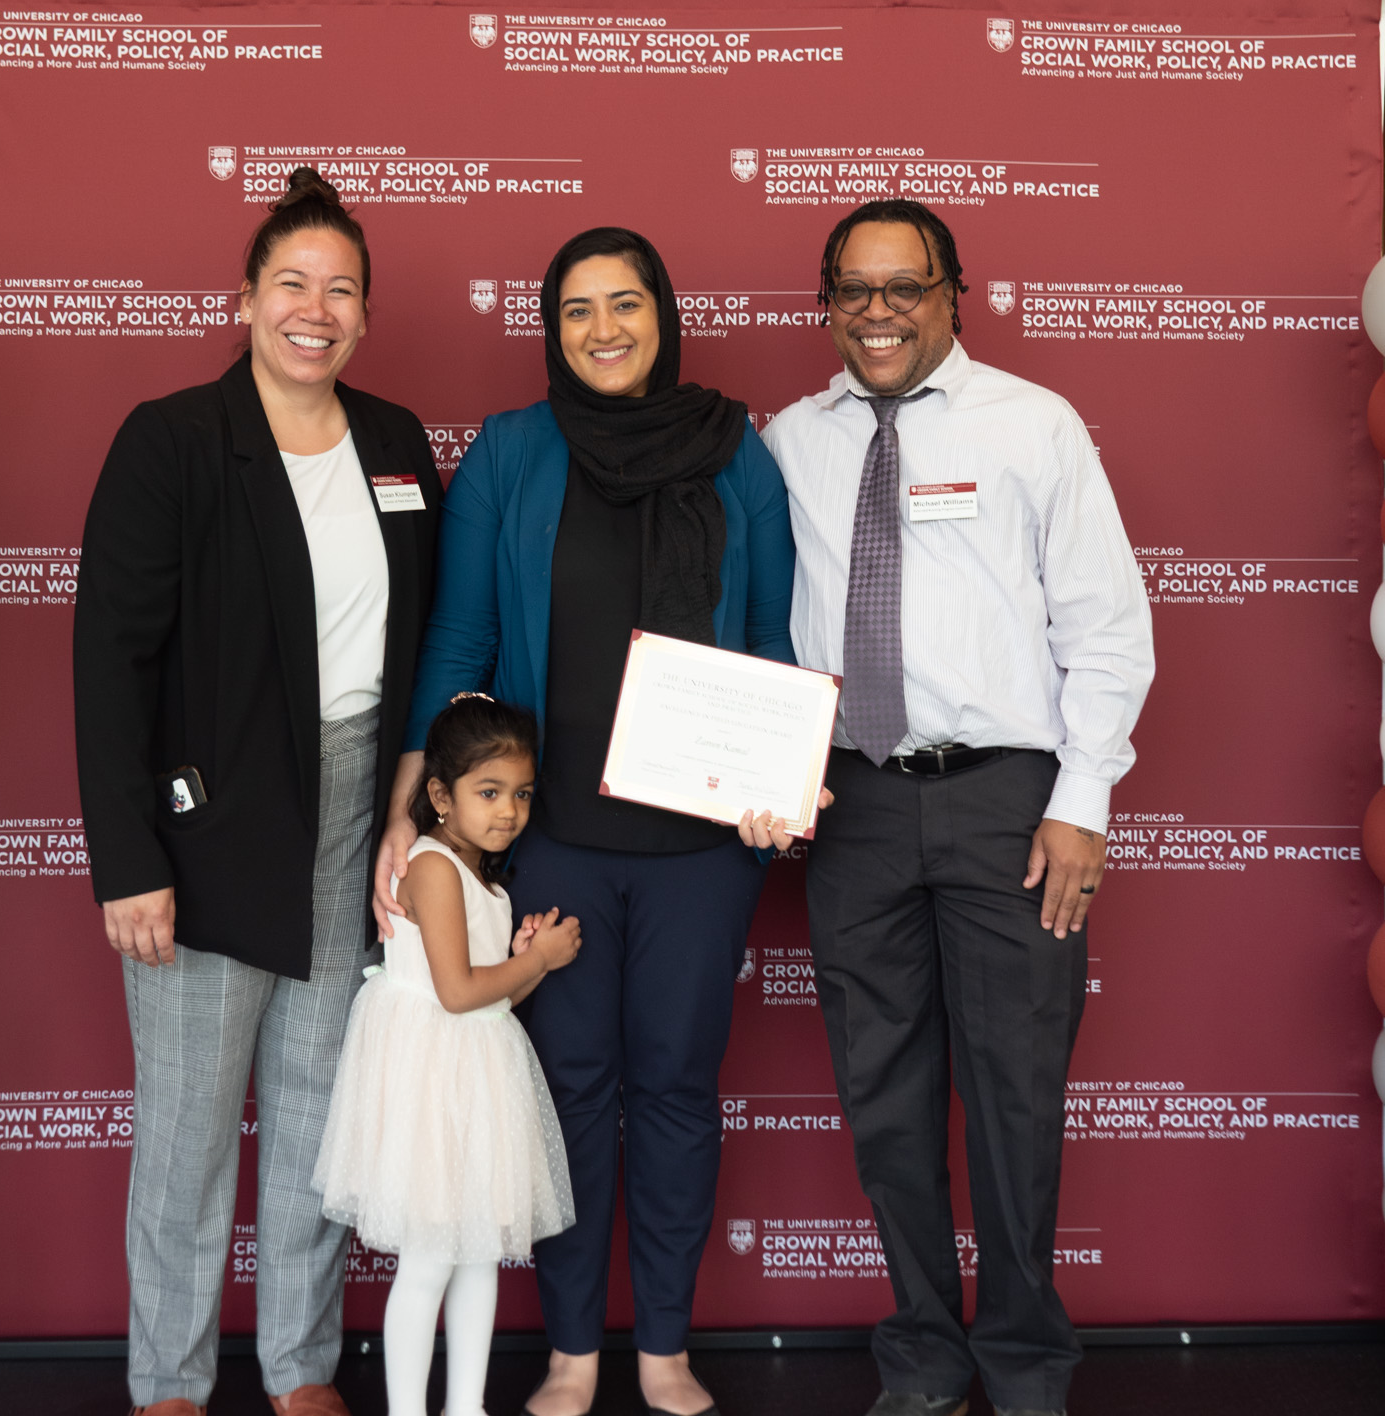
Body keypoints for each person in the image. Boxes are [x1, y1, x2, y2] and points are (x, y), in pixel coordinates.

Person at [373, 225, 798, 1416]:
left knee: (673, 1085)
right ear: (550, 328)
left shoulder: (737, 452)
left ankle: (661, 1344)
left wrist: (775, 774)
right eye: (576, 310)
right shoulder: (512, 451)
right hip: (545, 838)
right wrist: (413, 809)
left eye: (625, 303)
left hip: (702, 853)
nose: (603, 328)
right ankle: (571, 1350)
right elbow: (460, 638)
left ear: (664, 313)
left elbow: (768, 643)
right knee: (564, 1087)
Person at [760, 199, 1153, 1416]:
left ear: (951, 295)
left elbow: (1107, 623)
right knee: (884, 1099)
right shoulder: (788, 438)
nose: (877, 312)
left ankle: (1029, 1364)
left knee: (1019, 1095)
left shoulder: (1033, 425)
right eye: (853, 289)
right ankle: (924, 1356)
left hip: (1007, 806)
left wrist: (1081, 802)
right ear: (827, 301)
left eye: (904, 287)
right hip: (857, 806)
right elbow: (760, 619)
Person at [74, 169, 442, 1416]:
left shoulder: (395, 443)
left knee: (311, 1106)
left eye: (342, 288)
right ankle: (168, 1381)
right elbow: (111, 661)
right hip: (208, 820)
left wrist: (401, 804)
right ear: (244, 298)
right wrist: (129, 857)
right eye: (292, 281)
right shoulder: (173, 438)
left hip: (352, 807)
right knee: (186, 1127)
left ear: (366, 316)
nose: (315, 307)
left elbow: (419, 639)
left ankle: (300, 1368)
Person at [315, 693, 580, 1416]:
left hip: (477, 1079)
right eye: (488, 792)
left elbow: (488, 995)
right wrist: (542, 961)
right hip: (432, 1084)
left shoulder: (483, 876)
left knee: (477, 1258)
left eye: (522, 794)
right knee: (431, 1260)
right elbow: (459, 994)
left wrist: (520, 956)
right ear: (439, 794)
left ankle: (466, 1408)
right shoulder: (432, 866)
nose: (509, 812)